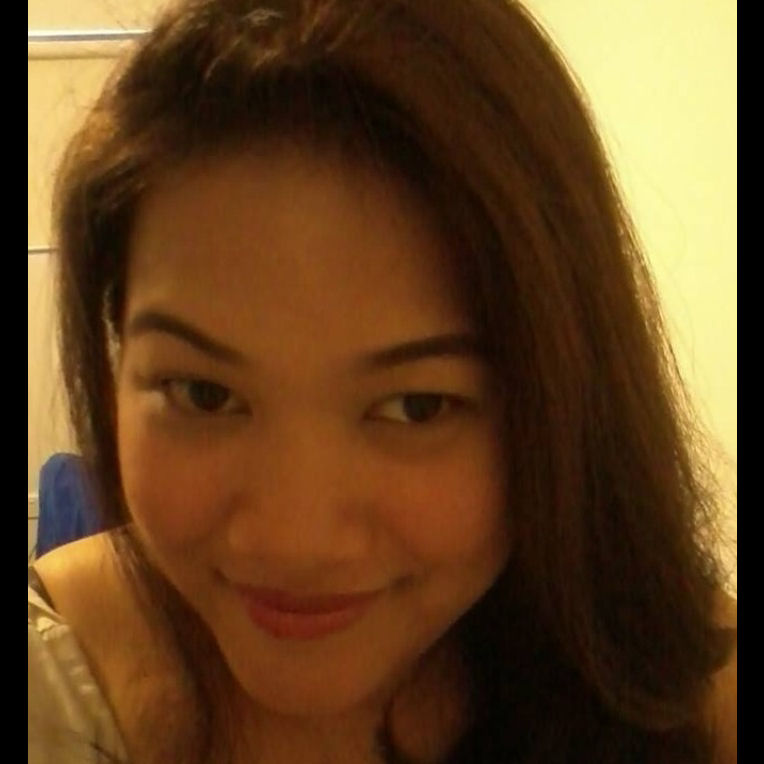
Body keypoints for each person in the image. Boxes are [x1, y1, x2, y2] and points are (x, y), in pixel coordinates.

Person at [28, 0, 737, 762]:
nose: (295, 540)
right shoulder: (52, 684)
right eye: (204, 395)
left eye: (416, 407)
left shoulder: (699, 702)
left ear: (561, 397)